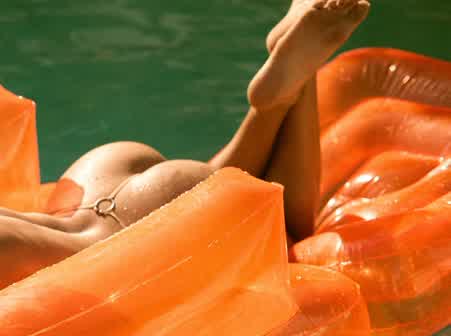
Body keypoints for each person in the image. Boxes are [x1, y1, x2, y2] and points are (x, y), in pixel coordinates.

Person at [0, 0, 370, 287]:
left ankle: (285, 88)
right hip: (96, 181)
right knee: (221, 185)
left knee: (285, 234)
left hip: (128, 227)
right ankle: (280, 95)